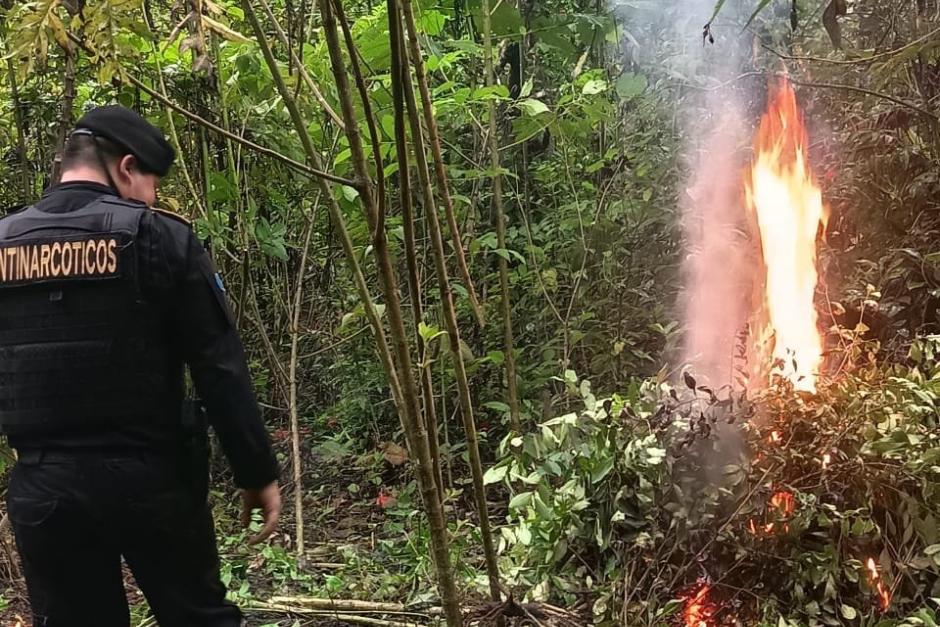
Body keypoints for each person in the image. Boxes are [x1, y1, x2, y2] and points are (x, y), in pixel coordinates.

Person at [0, 105, 281, 626]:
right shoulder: (162, 238)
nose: (152, 197)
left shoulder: (3, 243)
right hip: (152, 481)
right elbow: (219, 367)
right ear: (127, 168)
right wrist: (256, 472)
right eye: (151, 181)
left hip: (44, 488)